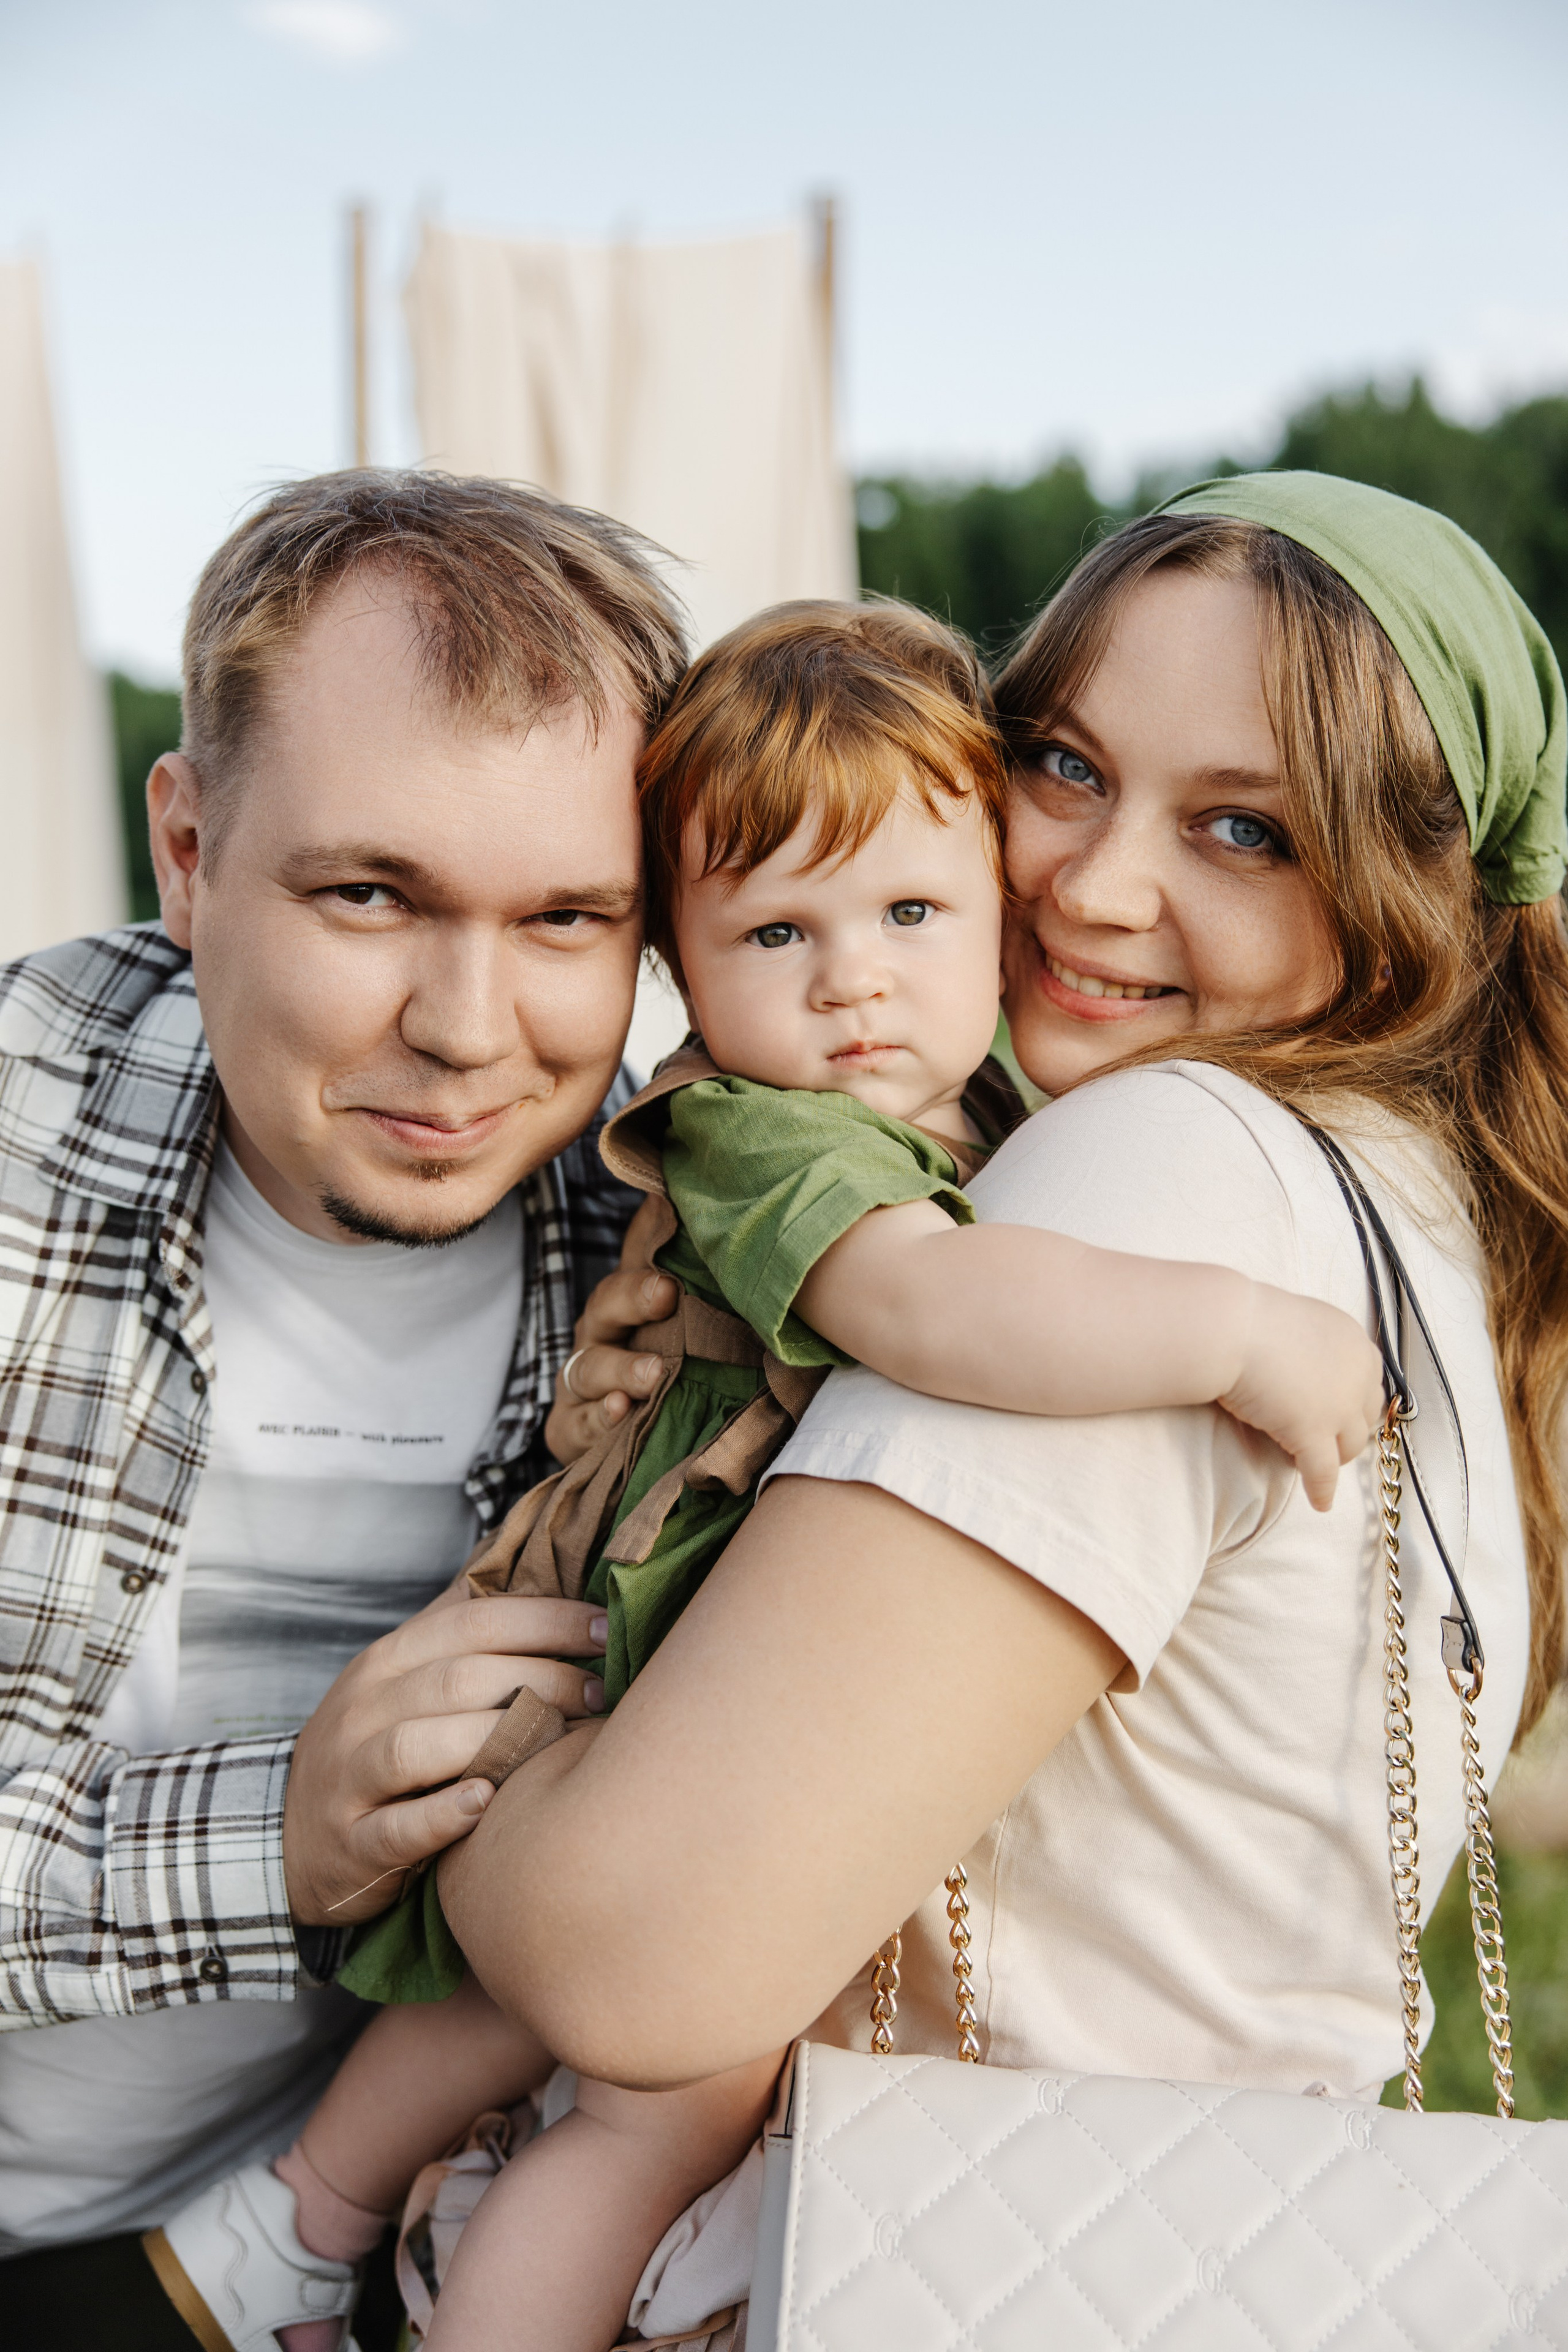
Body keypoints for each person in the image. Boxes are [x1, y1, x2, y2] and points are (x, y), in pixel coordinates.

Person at [174, 597, 1379, 2352]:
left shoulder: (970, 1109)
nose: (854, 981)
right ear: (682, 961)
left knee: (516, 2022)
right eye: (777, 932)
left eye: (909, 913)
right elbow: (930, 1304)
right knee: (665, 2108)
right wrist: (1231, 1333)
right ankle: (371, 2253)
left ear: (997, 909)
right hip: (644, 1642)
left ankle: (312, 2214)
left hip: (669, 1659)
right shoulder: (759, 1128)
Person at [437, 475, 1568, 2333]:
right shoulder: (1402, 1196)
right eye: (1060, 764)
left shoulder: (1165, 1175)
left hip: (930, 2263)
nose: (1093, 884)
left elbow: (638, 1957)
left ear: (1414, 888)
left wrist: (443, 1803)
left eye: (1243, 830)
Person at [0, 469, 690, 2344]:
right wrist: (280, 1838)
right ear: (188, 844)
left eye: (566, 919)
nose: (471, 1029)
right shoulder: (17, 1151)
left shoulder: (671, 1267)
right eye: (373, 893)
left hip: (310, 2261)